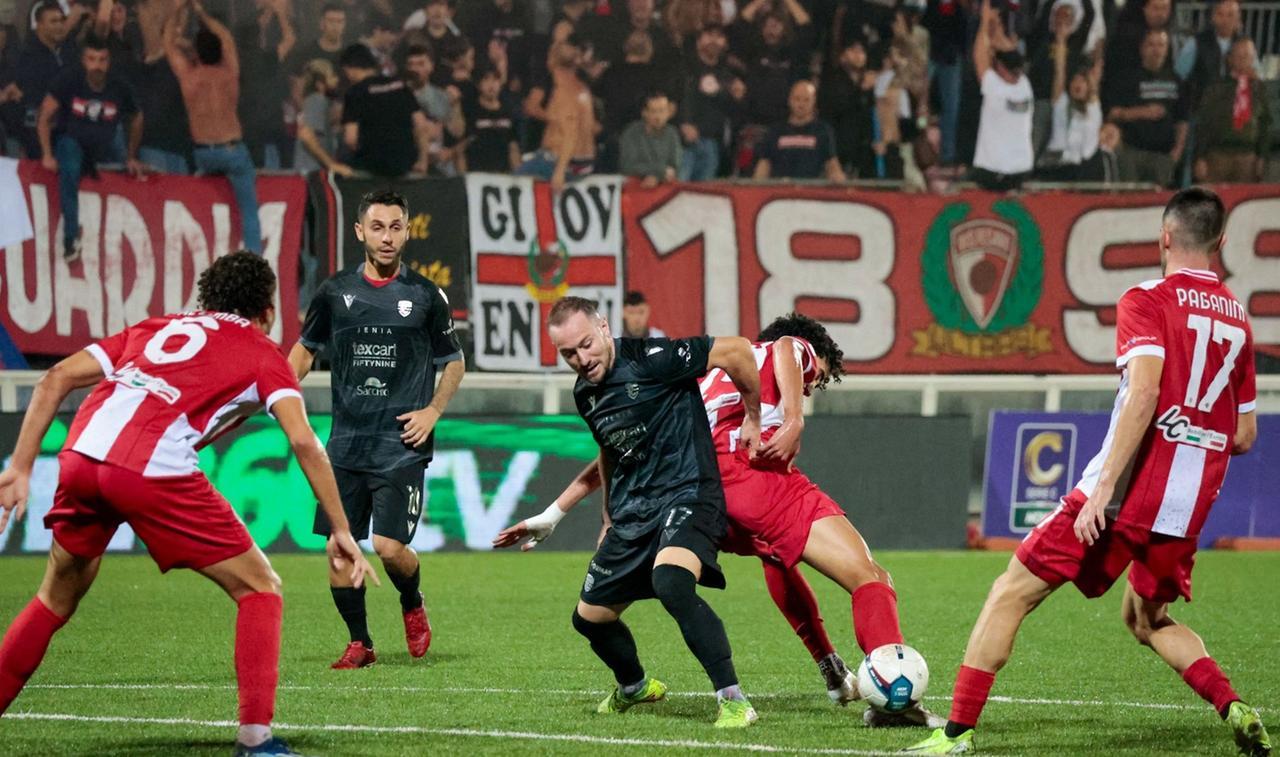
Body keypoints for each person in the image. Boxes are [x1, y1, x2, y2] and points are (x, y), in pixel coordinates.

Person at [904, 187, 1271, 755]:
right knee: (1148, 620)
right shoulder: (1241, 322)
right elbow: (1244, 435)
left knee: (1009, 592)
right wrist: (1195, 431)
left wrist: (1102, 489)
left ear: (1165, 237)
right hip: (1186, 505)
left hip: (1126, 495)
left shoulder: (1147, 299)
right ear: (1221, 243)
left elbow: (1144, 390)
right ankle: (1235, 706)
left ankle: (953, 734)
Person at [0, 251, 377, 756]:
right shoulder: (265, 354)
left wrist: (21, 467)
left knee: (54, 598)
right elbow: (305, 442)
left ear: (206, 299)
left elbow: (54, 379)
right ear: (267, 311)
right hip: (150, 467)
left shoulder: (155, 328)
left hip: (81, 451)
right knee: (260, 587)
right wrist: (342, 530)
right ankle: (256, 739)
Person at [505, 313, 947, 726]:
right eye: (821, 378)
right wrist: (794, 419)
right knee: (871, 578)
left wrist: (555, 510)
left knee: (776, 558)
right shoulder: (775, 351)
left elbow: (621, 448)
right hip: (749, 475)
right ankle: (894, 700)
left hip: (697, 492)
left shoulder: (700, 376)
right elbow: (789, 347)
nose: (813, 386)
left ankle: (830, 667)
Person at [497, 296, 764, 728]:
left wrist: (753, 417)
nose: (582, 359)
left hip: (689, 493)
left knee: (672, 582)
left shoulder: (654, 359)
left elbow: (737, 351)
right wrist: (607, 518)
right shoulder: (586, 395)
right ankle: (634, 687)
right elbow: (609, 451)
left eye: (586, 344)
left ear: (603, 326)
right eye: (568, 353)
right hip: (635, 511)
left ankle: (733, 699)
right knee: (590, 619)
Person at [289, 190, 465, 670]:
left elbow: (454, 362)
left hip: (401, 444)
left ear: (408, 231)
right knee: (338, 548)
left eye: (396, 227)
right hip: (345, 443)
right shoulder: (333, 293)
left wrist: (432, 411)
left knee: (389, 549)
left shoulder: (427, 296)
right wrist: (278, 392)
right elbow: (304, 351)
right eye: (378, 227)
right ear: (359, 232)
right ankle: (360, 643)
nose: (387, 237)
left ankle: (411, 600)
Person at [164, 0, 262, 253]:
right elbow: (226, 36)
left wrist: (177, 10)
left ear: (195, 53)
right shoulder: (230, 72)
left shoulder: (189, 76)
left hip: (204, 154)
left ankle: (205, 254)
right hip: (233, 150)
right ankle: (255, 262)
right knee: (249, 212)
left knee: (201, 206)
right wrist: (200, 12)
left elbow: (167, 43)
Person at [37, 34, 144, 263]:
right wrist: (46, 154)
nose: (97, 65)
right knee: (69, 170)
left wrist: (132, 156)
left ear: (109, 61)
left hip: (105, 142)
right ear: (83, 61)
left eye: (102, 60)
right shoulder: (69, 79)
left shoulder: (119, 84)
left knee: (136, 169)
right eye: (92, 59)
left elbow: (137, 117)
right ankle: (70, 238)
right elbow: (44, 117)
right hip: (72, 140)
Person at [337, 43, 431, 178]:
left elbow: (351, 138)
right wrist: (423, 161)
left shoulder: (355, 92)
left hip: (371, 166)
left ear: (349, 69)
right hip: (403, 163)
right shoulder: (399, 85)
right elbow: (421, 125)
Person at [1107, 28, 1188, 188]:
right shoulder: (1126, 78)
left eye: (1161, 45)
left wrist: (1177, 153)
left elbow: (1182, 120)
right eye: (1151, 45)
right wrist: (1141, 113)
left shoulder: (1176, 80)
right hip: (1131, 153)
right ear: (1142, 48)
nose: (1156, 50)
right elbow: (1111, 114)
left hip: (1163, 156)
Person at [515, 35, 596, 191]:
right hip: (584, 161)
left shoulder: (563, 93)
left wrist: (559, 171)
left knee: (514, 184)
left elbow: (570, 133)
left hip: (564, 162)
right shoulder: (582, 89)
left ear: (551, 61)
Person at [970, 0, 1033, 191]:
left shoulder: (996, 88)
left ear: (1002, 69)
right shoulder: (1024, 86)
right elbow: (1008, 50)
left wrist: (984, 22)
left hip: (994, 169)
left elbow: (979, 57)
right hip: (1021, 168)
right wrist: (995, 26)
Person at [1193, 38, 1270, 184]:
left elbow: (1265, 124)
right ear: (1230, 59)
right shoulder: (1216, 88)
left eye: (1247, 56)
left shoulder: (1259, 88)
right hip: (1217, 154)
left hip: (1248, 156)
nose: (1243, 60)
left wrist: (1262, 157)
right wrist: (1200, 157)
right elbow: (1204, 123)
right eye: (1239, 56)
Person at [753, 80, 845, 181]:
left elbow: (831, 163)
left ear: (814, 101)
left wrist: (838, 178)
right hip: (780, 190)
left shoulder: (823, 130)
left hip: (810, 190)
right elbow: (764, 163)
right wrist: (757, 186)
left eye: (806, 100)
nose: (801, 104)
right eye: (797, 99)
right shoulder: (775, 131)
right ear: (789, 100)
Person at [461, 65, 519, 172]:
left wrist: (518, 174)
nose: (491, 84)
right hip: (476, 173)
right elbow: (462, 146)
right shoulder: (470, 110)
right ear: (479, 84)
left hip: (502, 173)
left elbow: (513, 145)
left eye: (495, 80)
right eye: (486, 79)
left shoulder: (508, 111)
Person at [619, 91, 681, 185]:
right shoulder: (631, 133)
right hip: (636, 185)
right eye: (654, 111)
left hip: (664, 184)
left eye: (662, 111)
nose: (658, 117)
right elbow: (628, 166)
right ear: (644, 113)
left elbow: (675, 166)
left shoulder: (672, 133)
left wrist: (657, 177)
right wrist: (660, 171)